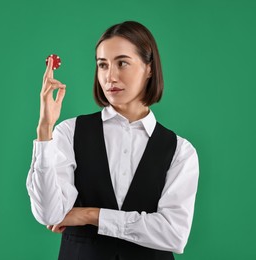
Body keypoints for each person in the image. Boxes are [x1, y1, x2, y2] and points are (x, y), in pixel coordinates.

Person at [26, 21, 199, 260]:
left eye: (122, 63)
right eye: (102, 65)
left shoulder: (180, 151)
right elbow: (49, 214)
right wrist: (45, 129)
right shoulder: (69, 132)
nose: (110, 77)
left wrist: (89, 215)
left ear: (149, 68)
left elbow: (174, 234)